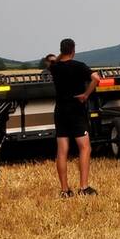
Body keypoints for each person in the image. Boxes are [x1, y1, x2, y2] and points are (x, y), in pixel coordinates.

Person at [47, 38, 99, 198]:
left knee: (62, 151)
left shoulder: (55, 67)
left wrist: (59, 56)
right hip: (76, 109)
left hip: (60, 110)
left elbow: (51, 59)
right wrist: (85, 94)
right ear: (73, 50)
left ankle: (65, 190)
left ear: (61, 49)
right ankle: (83, 187)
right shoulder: (79, 66)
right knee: (85, 148)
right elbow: (96, 79)